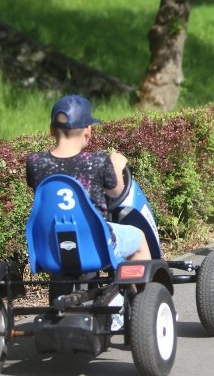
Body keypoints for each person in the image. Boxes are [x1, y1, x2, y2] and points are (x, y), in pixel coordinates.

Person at [26, 94, 151, 260]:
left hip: (51, 245)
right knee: (139, 238)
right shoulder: (98, 161)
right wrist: (115, 166)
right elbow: (117, 193)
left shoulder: (34, 162)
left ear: (51, 129)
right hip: (96, 243)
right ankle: (139, 286)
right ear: (87, 131)